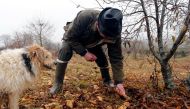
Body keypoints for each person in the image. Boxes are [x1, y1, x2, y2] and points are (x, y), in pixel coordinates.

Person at [50, 7, 127, 97]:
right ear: (98, 24)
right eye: (104, 34)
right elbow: (70, 37)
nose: (106, 39)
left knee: (102, 59)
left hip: (93, 42)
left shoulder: (115, 32)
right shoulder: (85, 17)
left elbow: (116, 57)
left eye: (108, 37)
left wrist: (119, 82)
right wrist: (84, 53)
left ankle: (107, 81)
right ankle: (58, 84)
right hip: (73, 38)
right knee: (65, 51)